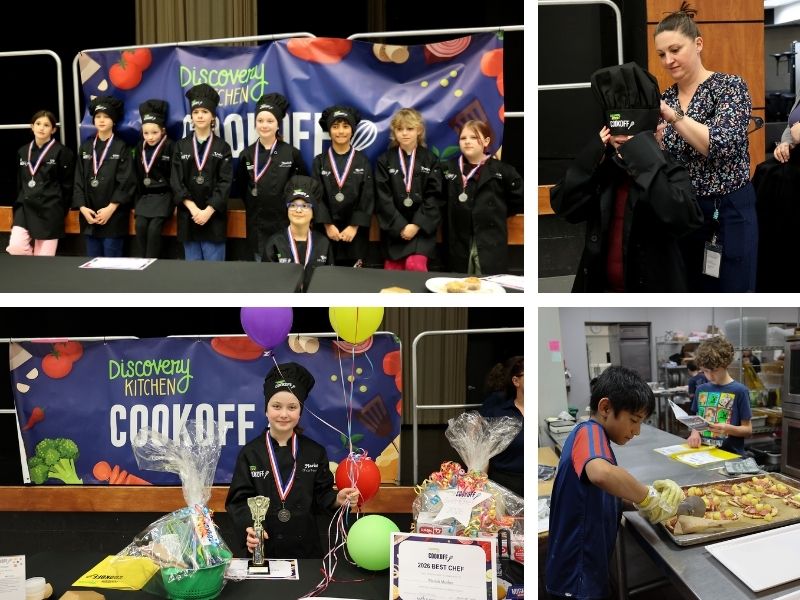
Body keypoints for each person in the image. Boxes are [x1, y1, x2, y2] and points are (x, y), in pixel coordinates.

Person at [550, 62, 703, 292]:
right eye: (618, 140)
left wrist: (646, 159)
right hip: (599, 289)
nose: (624, 148)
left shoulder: (669, 169)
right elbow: (565, 206)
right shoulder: (605, 169)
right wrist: (593, 155)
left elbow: (684, 220)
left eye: (631, 142)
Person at [545, 366, 683, 600]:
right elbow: (603, 474)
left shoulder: (596, 438)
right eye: (634, 420)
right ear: (605, 408)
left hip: (586, 573)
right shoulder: (589, 433)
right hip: (575, 578)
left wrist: (644, 504)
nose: (636, 431)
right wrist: (646, 495)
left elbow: (602, 495)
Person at [655, 2, 758, 292]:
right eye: (662, 54)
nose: (668, 60)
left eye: (675, 50)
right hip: (685, 212)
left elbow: (721, 145)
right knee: (689, 289)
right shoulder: (667, 98)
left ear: (698, 43)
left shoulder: (730, 87)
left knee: (733, 288)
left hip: (727, 210)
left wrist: (673, 117)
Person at [225, 362, 360, 559]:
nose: (284, 414)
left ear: (300, 411)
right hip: (263, 549)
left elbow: (321, 496)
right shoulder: (250, 453)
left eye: (292, 407)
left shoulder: (315, 452)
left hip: (306, 551)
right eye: (276, 406)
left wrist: (336, 500)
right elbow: (238, 502)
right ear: (266, 409)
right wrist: (250, 529)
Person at [443, 119, 523, 275]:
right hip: (458, 240)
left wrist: (495, 213)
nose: (467, 142)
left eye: (474, 137)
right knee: (459, 287)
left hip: (490, 240)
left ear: (486, 141)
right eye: (463, 138)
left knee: (488, 286)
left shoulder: (504, 171)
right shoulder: (447, 169)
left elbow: (519, 200)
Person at [237, 93, 307, 261]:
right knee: (261, 272)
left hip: (284, 222)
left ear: (278, 125)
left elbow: (302, 188)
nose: (264, 125)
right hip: (256, 223)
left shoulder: (291, 153)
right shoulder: (246, 154)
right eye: (260, 121)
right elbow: (240, 187)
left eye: (270, 121)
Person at [170, 83, 233, 261]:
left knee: (214, 275)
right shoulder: (180, 146)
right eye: (196, 112)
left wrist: (207, 211)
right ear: (191, 116)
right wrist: (193, 209)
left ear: (213, 116)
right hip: (189, 216)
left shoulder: (223, 147)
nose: (200, 116)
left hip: (213, 218)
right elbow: (176, 181)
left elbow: (225, 183)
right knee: (193, 276)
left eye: (205, 112)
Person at [375, 108, 442, 271]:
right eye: (400, 129)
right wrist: (400, 226)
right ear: (394, 132)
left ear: (419, 130)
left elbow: (434, 195)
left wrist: (416, 225)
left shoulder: (431, 159)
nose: (404, 133)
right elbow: (383, 197)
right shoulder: (384, 160)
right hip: (394, 229)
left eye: (410, 128)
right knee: (392, 271)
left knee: (415, 266)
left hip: (421, 230)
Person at [73, 95, 136, 257]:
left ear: (114, 121)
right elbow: (78, 180)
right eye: (98, 117)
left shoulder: (121, 147)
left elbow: (126, 182)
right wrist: (82, 208)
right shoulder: (86, 147)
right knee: (92, 265)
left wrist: (111, 208)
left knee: (112, 266)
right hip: (90, 216)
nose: (101, 120)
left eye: (106, 117)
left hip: (113, 217)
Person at [312, 105, 374, 267]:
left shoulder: (363, 161)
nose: (341, 131)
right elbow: (316, 196)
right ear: (329, 130)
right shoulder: (319, 162)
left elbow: (367, 197)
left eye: (346, 126)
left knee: (353, 283)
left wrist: (353, 227)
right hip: (327, 232)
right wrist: (327, 225)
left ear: (352, 130)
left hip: (354, 234)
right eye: (335, 126)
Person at [6, 110, 75, 256]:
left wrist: (62, 209)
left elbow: (67, 185)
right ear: (32, 126)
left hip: (50, 209)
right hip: (25, 207)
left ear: (53, 129)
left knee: (44, 259)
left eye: (46, 125)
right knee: (16, 248)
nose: (41, 128)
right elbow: (20, 182)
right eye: (38, 124)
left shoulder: (62, 152)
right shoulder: (23, 151)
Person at [263, 175, 333, 291]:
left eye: (305, 206)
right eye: (293, 205)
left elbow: (329, 282)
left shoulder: (323, 243)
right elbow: (268, 283)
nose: (298, 210)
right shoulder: (275, 242)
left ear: (313, 212)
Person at [687, 336, 752, 456]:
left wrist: (728, 429)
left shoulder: (740, 391)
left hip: (730, 455)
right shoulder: (701, 390)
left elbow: (748, 430)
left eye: (715, 370)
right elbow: (697, 419)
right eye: (705, 371)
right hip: (703, 453)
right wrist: (694, 433)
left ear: (726, 365)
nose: (710, 376)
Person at [132, 99, 174, 258]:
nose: (150, 137)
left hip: (164, 196)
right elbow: (136, 174)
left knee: (154, 228)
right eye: (146, 133)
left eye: (154, 132)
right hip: (145, 197)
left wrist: (175, 201)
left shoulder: (171, 146)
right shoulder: (139, 147)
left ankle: (153, 262)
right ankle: (143, 261)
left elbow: (175, 175)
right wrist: (137, 201)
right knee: (141, 225)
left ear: (163, 131)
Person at [478, 356, 523, 497]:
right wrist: (478, 488)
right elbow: (484, 452)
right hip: (504, 484)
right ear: (516, 381)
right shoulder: (498, 413)